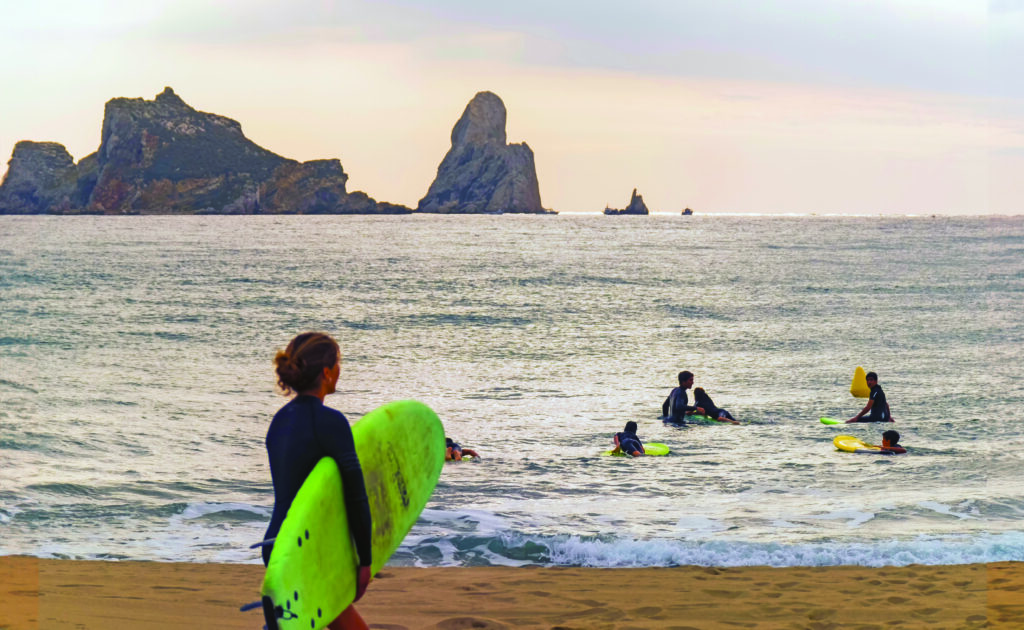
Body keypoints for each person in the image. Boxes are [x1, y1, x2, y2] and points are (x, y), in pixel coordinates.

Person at [264, 332, 372, 630]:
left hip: (276, 545)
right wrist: (365, 560)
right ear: (326, 373)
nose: (340, 369)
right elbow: (356, 496)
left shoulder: (279, 421)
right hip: (305, 550)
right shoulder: (331, 422)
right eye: (338, 363)